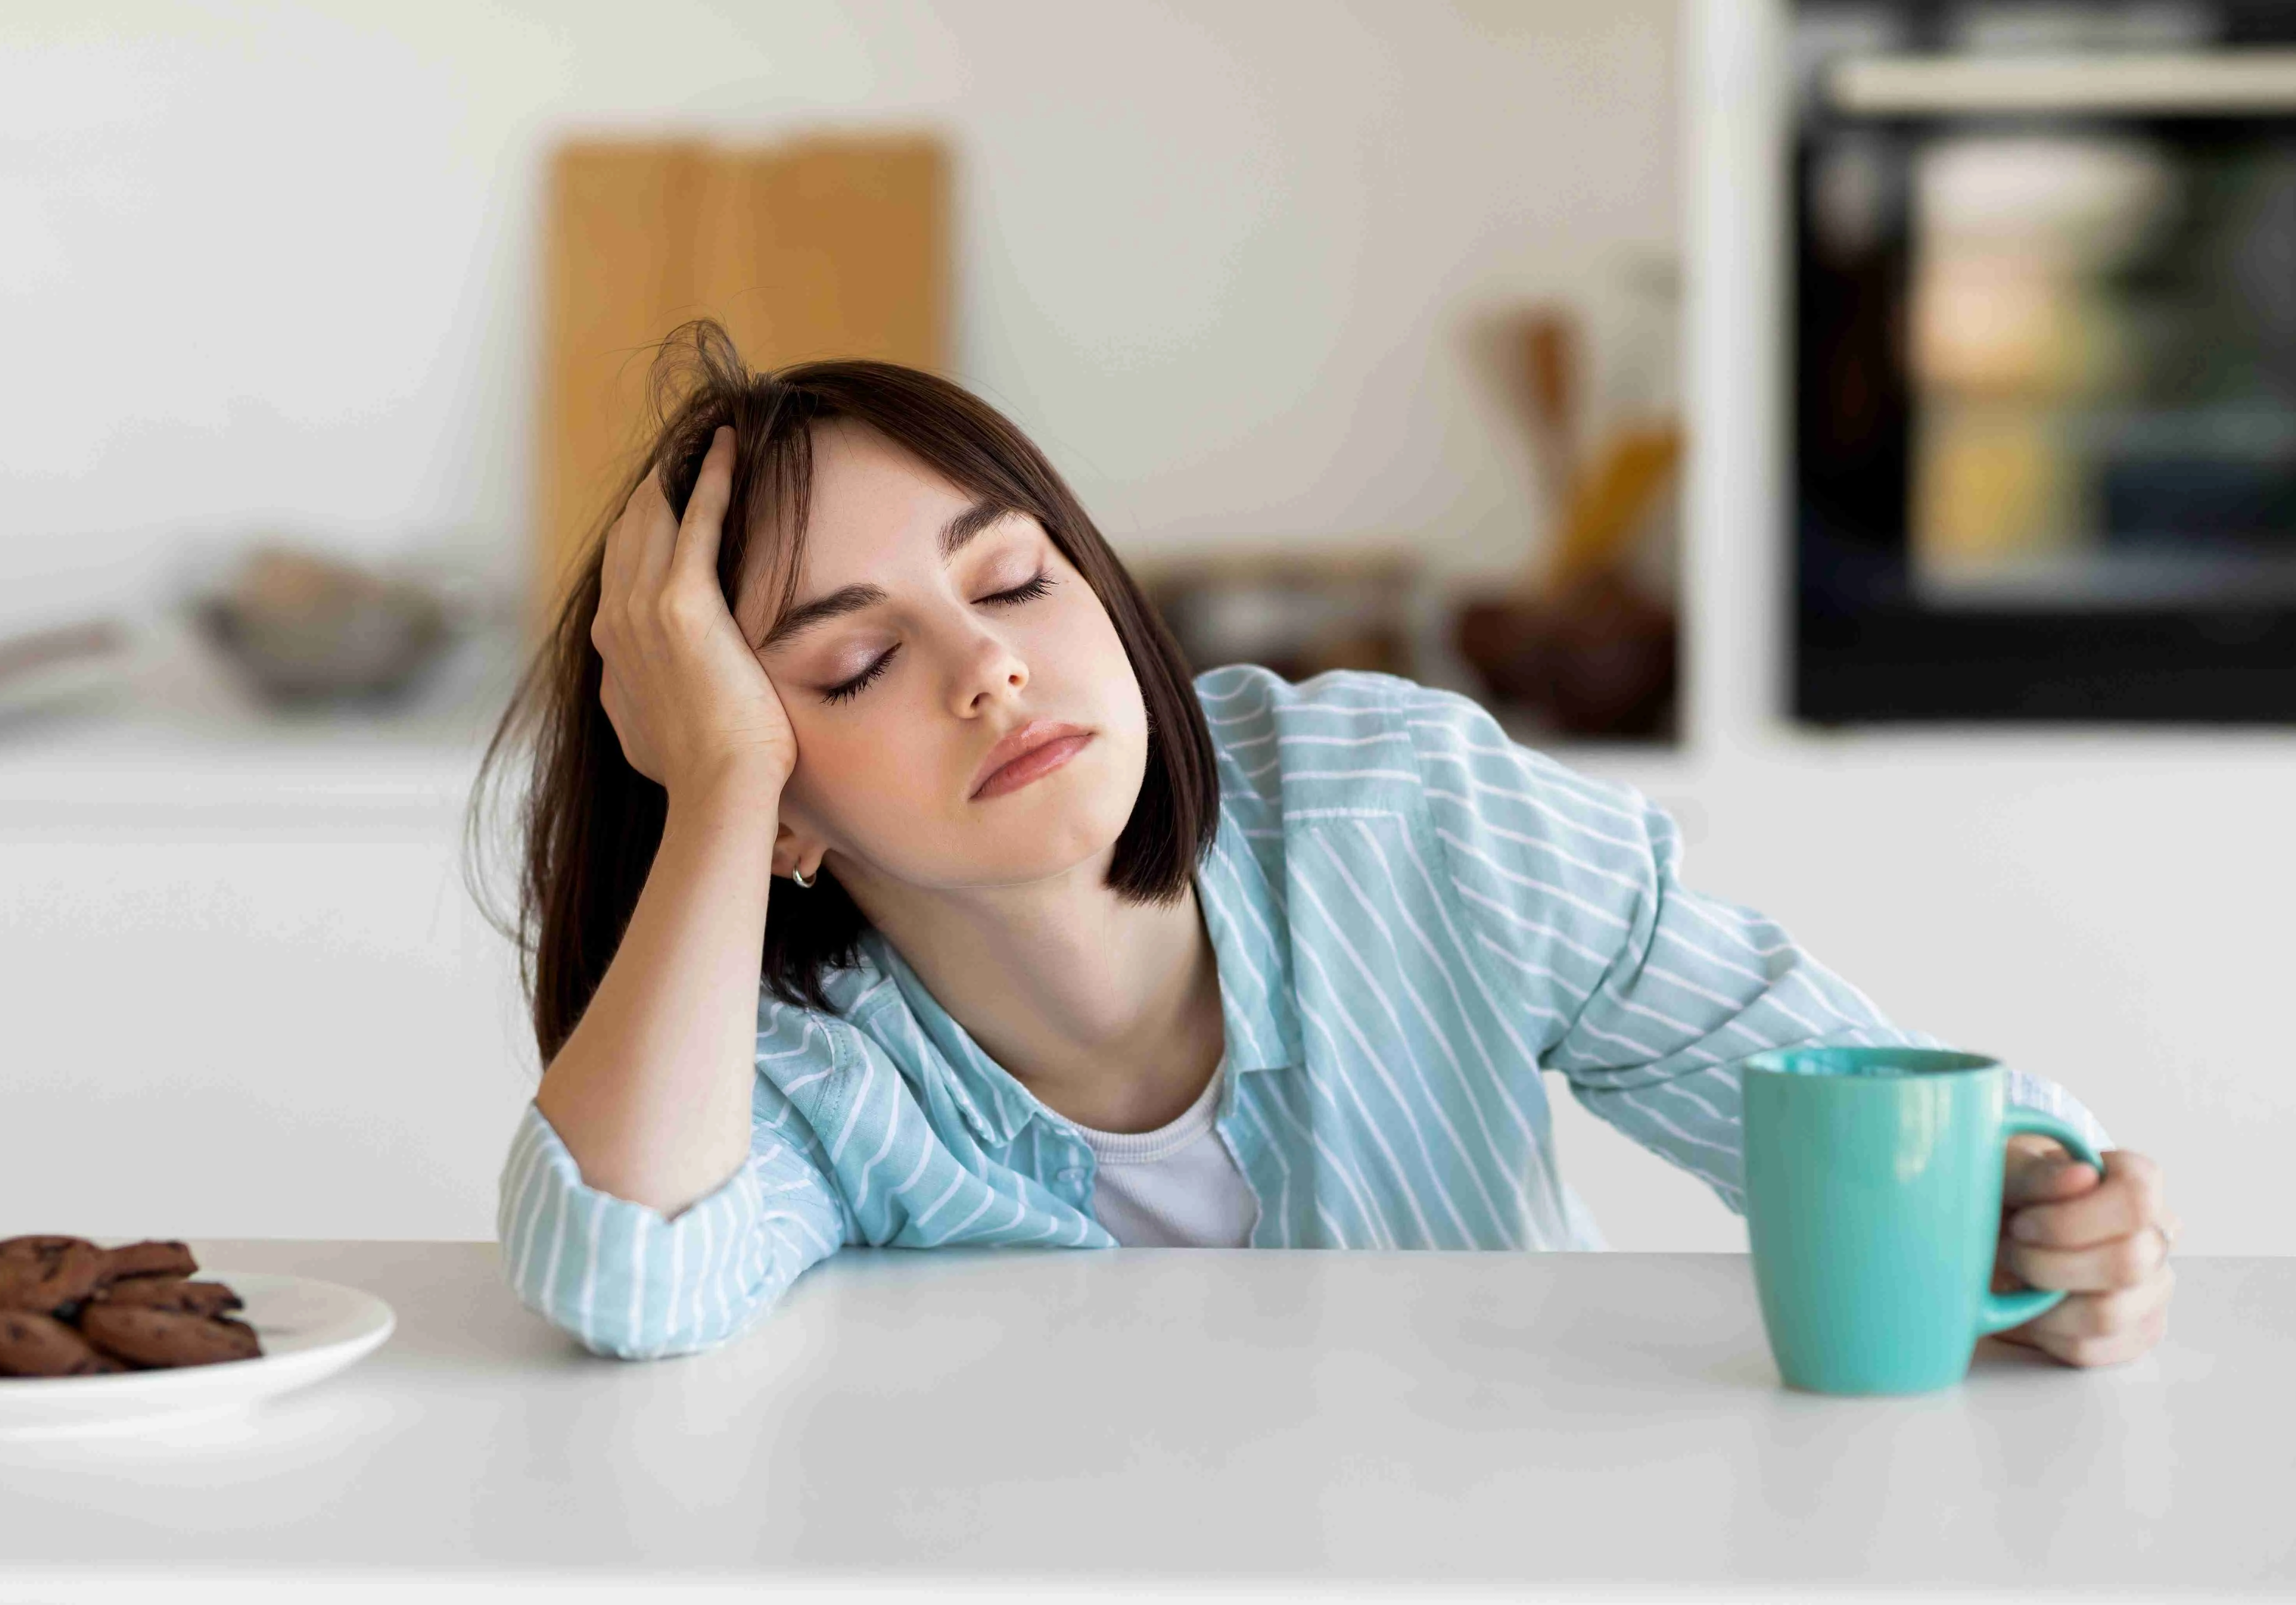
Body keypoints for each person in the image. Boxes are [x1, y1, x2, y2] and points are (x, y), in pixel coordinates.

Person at [475, 321, 2179, 1367]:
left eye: (1013, 580)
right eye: (852, 662)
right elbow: (627, 1268)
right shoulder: (799, 1065)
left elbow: (1862, 1114)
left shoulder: (1399, 807)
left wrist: (2035, 1213)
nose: (989, 664)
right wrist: (711, 799)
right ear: (771, 784)